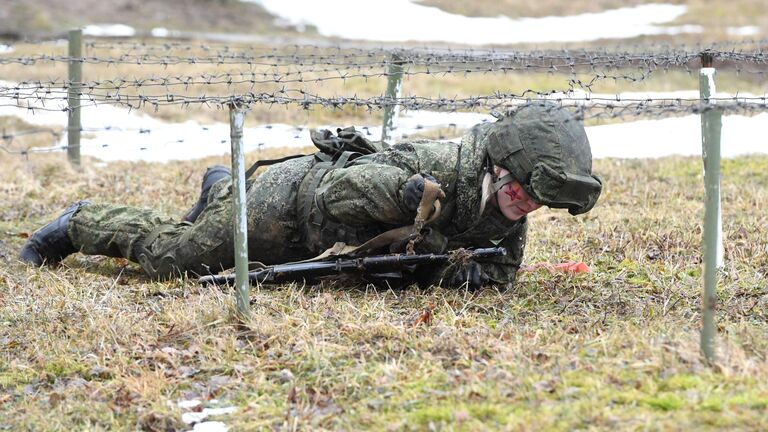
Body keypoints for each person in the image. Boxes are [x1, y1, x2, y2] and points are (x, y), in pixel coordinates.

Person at [19, 102, 602, 289]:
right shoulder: (436, 171)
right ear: (499, 169)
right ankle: (76, 223)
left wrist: (452, 272)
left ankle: (223, 188)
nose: (528, 206)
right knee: (176, 261)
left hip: (325, 251)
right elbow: (337, 193)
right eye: (524, 192)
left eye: (540, 202)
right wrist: (401, 199)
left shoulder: (505, 209)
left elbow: (499, 277)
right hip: (291, 202)